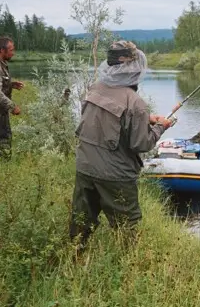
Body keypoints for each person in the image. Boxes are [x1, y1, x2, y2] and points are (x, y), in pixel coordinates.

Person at [69, 40, 174, 250]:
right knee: (127, 226)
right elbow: (142, 144)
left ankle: (75, 256)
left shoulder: (94, 88)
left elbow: (102, 119)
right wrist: (161, 127)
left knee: (81, 220)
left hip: (85, 167)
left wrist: (147, 119)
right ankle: (127, 266)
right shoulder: (136, 103)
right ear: (134, 68)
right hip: (116, 175)